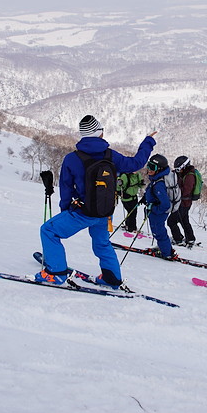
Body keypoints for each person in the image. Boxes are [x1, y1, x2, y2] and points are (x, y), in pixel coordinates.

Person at [36, 115, 156, 288]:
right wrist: (148, 141)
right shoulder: (111, 155)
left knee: (48, 231)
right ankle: (112, 278)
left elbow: (66, 189)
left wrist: (65, 212)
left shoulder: (72, 158)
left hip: (82, 212)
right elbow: (136, 163)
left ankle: (55, 273)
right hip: (105, 212)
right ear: (100, 133)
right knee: (102, 243)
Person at [142, 154, 177, 260]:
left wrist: (153, 209)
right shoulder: (157, 179)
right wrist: (145, 198)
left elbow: (166, 204)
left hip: (158, 213)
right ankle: (164, 248)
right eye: (148, 166)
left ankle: (167, 253)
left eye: (152, 167)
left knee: (159, 232)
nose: (149, 169)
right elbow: (152, 191)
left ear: (159, 169)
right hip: (156, 211)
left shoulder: (159, 184)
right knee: (158, 232)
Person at [168, 156, 197, 247]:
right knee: (184, 221)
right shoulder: (184, 174)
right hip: (184, 203)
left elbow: (185, 191)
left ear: (184, 167)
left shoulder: (189, 176)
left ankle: (178, 239)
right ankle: (190, 239)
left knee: (171, 222)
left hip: (183, 203)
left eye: (179, 169)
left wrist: (174, 190)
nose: (177, 171)